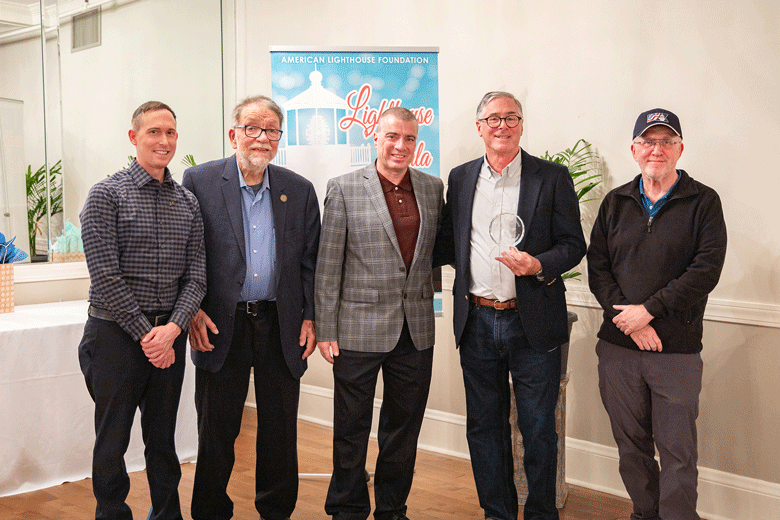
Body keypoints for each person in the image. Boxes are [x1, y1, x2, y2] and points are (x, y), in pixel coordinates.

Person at [434, 91, 586, 520]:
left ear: (522, 125)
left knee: (538, 429)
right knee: (484, 428)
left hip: (532, 323)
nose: (503, 125)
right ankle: (496, 512)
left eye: (512, 117)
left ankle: (541, 513)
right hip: (477, 319)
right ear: (479, 127)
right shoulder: (461, 178)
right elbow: (447, 242)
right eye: (494, 118)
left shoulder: (551, 177)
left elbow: (574, 245)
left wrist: (538, 263)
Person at [182, 95, 320, 520]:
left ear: (280, 137)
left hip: (281, 322)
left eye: (271, 130)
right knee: (218, 428)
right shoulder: (199, 181)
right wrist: (190, 311)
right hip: (219, 323)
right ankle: (210, 512)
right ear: (233, 134)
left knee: (279, 430)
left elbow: (310, 262)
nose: (262, 138)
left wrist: (312, 316)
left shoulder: (298, 189)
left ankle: (276, 511)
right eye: (252, 129)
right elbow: (186, 252)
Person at [587, 108, 727, 520]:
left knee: (677, 453)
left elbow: (705, 270)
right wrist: (629, 325)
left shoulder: (704, 202)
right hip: (619, 349)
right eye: (648, 141)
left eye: (667, 141)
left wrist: (648, 312)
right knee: (631, 448)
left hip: (676, 350)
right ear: (634, 149)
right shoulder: (615, 203)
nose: (657, 149)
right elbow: (599, 269)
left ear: (680, 148)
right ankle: (645, 514)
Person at [78, 101, 206, 520]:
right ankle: (112, 514)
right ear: (134, 137)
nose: (164, 141)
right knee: (112, 441)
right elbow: (106, 278)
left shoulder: (187, 202)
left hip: (169, 337)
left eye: (170, 132)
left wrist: (170, 331)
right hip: (114, 337)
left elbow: (197, 278)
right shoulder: (105, 195)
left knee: (162, 440)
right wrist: (148, 336)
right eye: (154, 132)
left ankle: (167, 514)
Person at [315, 107, 444, 520]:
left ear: (417, 143)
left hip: (416, 330)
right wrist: (325, 327)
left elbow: (432, 257)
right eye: (392, 137)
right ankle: (347, 509)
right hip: (357, 329)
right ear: (376, 137)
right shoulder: (345, 187)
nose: (400, 146)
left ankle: (392, 508)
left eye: (409, 139)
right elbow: (328, 264)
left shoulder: (431, 187)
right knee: (352, 429)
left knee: (403, 431)